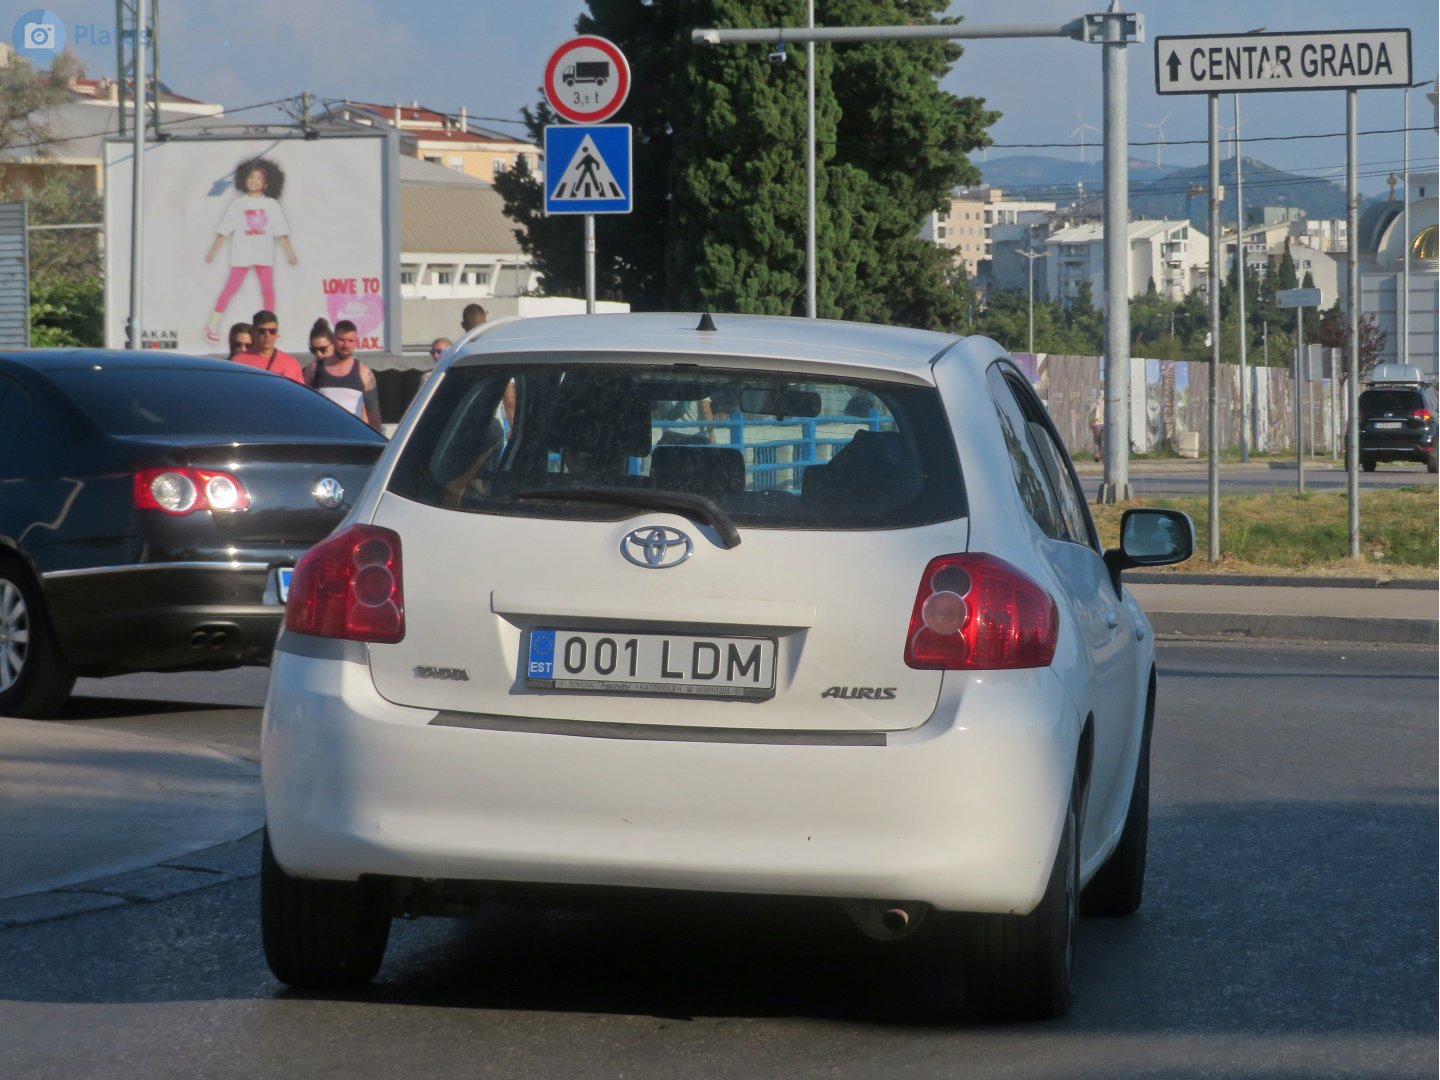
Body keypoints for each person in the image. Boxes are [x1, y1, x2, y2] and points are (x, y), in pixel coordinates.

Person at [203, 157, 297, 343]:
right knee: (230, 288)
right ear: (245, 180)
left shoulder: (271, 204)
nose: (254, 181)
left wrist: (290, 253)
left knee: (268, 290)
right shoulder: (239, 204)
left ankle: (269, 327)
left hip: (264, 255)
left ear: (266, 184)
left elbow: (281, 232)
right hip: (242, 253)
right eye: (251, 177)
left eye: (259, 178)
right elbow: (225, 229)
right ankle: (212, 324)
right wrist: (213, 250)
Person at [305, 319, 382, 431]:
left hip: (353, 438)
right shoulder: (314, 369)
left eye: (350, 340)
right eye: (341, 340)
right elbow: (306, 407)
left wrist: (379, 443)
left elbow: (373, 411)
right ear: (333, 340)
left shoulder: (365, 373)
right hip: (322, 437)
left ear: (356, 342)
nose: (346, 345)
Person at [246, 309, 305, 384]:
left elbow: (297, 393)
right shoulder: (238, 362)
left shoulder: (290, 363)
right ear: (253, 332)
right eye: (262, 331)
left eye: (272, 331)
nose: (267, 335)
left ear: (277, 333)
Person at [1088, 391, 1105, 459]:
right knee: (1103, 440)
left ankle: (1097, 454)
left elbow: (1089, 410)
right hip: (1103, 423)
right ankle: (1102, 455)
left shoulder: (1096, 403)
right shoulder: (1106, 403)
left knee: (1096, 440)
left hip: (1095, 423)